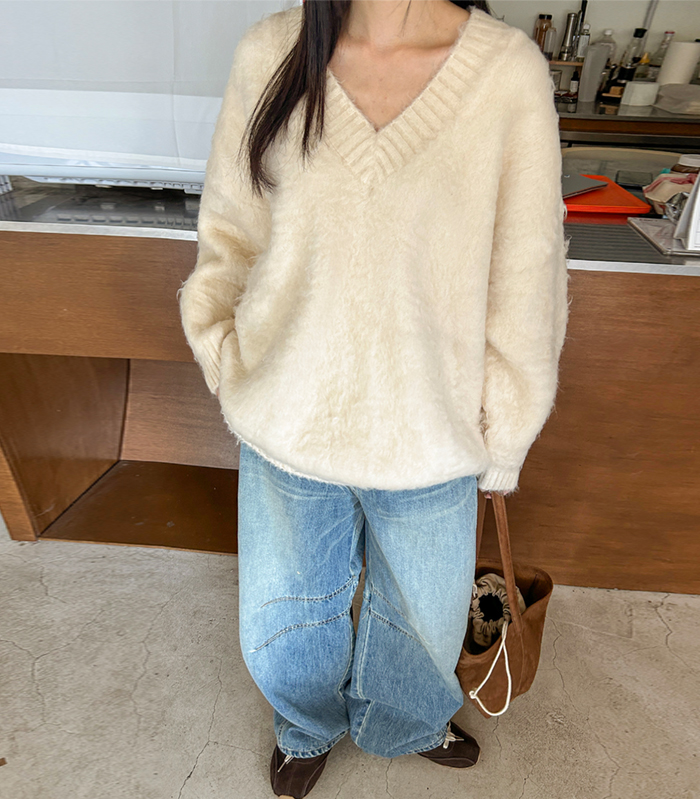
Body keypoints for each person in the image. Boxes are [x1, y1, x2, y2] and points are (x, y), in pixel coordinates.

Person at [177, 0, 570, 796]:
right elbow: (230, 232)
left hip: (433, 429)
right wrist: (225, 353)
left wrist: (506, 428)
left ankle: (407, 722)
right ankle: (305, 724)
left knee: (424, 620)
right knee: (284, 617)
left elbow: (526, 272)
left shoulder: (506, 74)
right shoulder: (269, 54)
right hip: (289, 415)